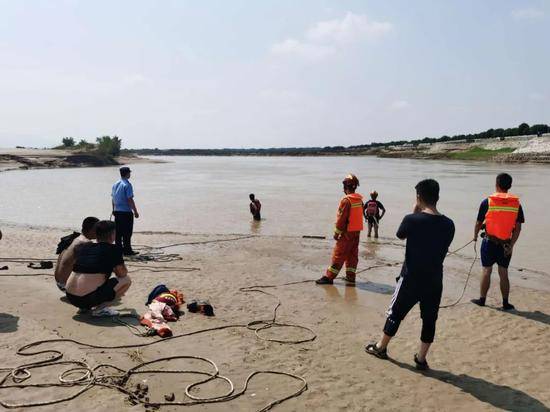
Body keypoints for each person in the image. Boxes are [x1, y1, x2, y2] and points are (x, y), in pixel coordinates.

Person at [365, 179, 455, 370]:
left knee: (395, 313)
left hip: (411, 277)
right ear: (437, 197)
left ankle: (381, 347)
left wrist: (414, 211)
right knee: (430, 319)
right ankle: (421, 359)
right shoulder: (449, 224)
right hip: (434, 280)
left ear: (418, 197)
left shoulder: (412, 219)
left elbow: (401, 234)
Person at [471, 173, 524, 310]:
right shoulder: (516, 204)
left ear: (496, 185)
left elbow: (478, 222)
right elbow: (518, 228)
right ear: (510, 186)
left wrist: (475, 236)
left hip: (489, 242)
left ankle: (482, 300)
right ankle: (505, 303)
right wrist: (511, 245)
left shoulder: (487, 201)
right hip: (506, 244)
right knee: (503, 272)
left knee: (486, 271)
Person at [65, 220, 132, 317]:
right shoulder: (113, 250)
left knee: (94, 277)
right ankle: (101, 309)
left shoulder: (85, 247)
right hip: (85, 298)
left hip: (70, 297)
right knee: (126, 280)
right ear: (113, 235)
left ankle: (84, 308)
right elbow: (122, 274)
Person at [316, 174, 364, 286]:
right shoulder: (359, 200)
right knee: (352, 255)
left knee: (339, 254)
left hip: (347, 233)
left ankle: (329, 277)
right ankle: (351, 277)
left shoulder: (347, 201)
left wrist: (336, 233)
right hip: (356, 233)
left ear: (345, 187)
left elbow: (342, 219)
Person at [54, 216, 99, 291]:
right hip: (66, 285)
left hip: (59, 282)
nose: (99, 232)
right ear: (92, 230)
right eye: (98, 230)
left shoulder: (76, 238)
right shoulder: (85, 243)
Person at [112, 166, 139, 256]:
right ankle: (127, 251)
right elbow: (129, 199)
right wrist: (135, 211)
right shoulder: (127, 184)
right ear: (127, 173)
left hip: (117, 211)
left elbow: (113, 198)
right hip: (126, 212)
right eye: (129, 173)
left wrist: (113, 210)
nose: (130, 174)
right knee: (127, 232)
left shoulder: (115, 184)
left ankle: (119, 250)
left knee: (118, 233)